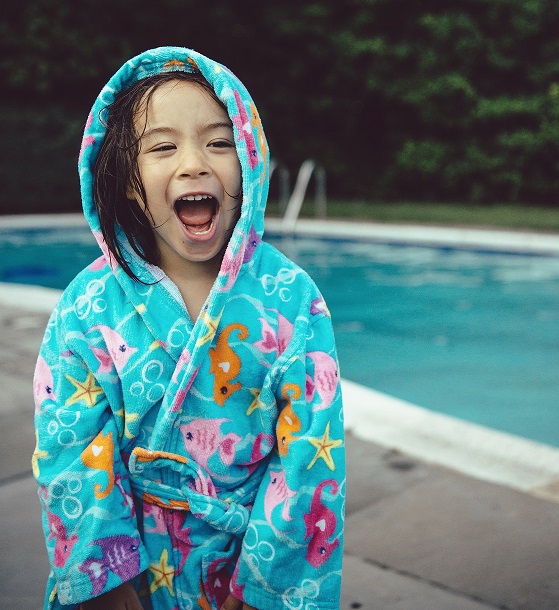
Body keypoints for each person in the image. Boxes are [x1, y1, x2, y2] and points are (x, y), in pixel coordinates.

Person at [32, 46, 345, 610]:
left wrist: (264, 589)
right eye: (162, 147)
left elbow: (308, 460)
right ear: (129, 180)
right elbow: (70, 445)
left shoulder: (291, 300)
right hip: (133, 563)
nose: (195, 162)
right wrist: (106, 579)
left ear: (249, 161)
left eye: (219, 142)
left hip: (247, 559)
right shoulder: (89, 305)